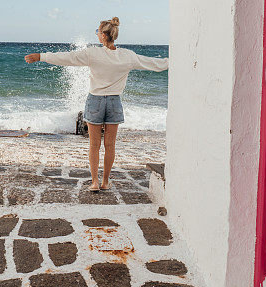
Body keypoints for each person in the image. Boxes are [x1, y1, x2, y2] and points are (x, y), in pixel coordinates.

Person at [24, 17, 168, 191]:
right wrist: (171, 62)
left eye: (98, 32)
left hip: (95, 101)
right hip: (114, 102)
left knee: (94, 145)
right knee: (110, 145)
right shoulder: (127, 56)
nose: (97, 35)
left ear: (103, 35)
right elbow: (152, 63)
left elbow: (68, 58)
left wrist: (41, 56)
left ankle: (94, 181)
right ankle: (105, 181)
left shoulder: (93, 53)